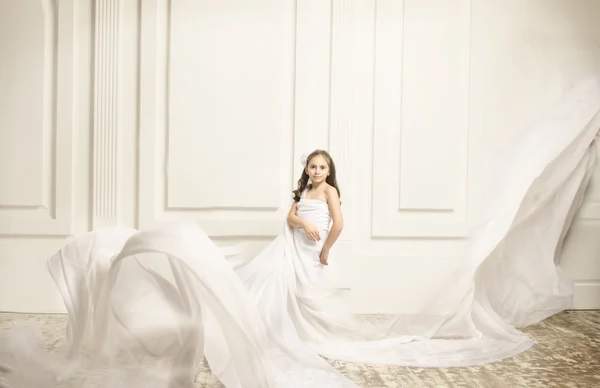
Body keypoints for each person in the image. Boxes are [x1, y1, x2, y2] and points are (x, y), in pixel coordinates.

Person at [1, 76, 599, 387]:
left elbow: (336, 225)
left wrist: (325, 247)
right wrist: (293, 221)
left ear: (331, 171)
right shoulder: (302, 194)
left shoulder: (330, 196)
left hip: (309, 253)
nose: (316, 173)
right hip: (289, 249)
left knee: (305, 301)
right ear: (307, 171)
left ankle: (294, 335)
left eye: (322, 167)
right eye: (312, 168)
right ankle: (264, 326)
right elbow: (296, 218)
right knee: (268, 289)